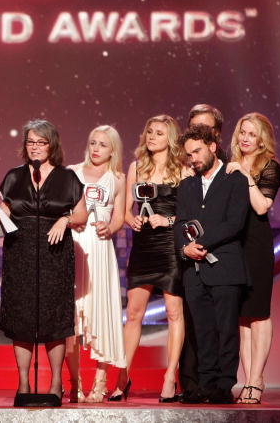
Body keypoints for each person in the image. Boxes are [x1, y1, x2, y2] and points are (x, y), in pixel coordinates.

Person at [0, 119, 87, 402]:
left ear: (51, 145)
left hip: (55, 254)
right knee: (21, 317)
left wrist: (64, 220)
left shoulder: (67, 177)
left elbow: (81, 215)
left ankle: (56, 383)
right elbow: (3, 213)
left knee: (54, 318)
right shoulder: (13, 176)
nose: (35, 147)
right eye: (30, 142)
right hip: (20, 252)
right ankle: (23, 384)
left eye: (40, 142)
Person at [111, 115, 188, 402]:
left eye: (159, 133)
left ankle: (170, 378)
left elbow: (192, 213)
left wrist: (166, 220)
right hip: (142, 247)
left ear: (170, 138)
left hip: (170, 247)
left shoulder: (182, 169)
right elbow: (124, 211)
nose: (152, 136)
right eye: (149, 132)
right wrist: (132, 221)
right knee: (133, 314)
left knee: (173, 313)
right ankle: (122, 377)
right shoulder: (136, 167)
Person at [175, 123, 249, 404]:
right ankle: (205, 384)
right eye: (189, 154)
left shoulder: (234, 180)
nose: (192, 158)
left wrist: (201, 243)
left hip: (225, 267)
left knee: (225, 329)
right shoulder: (186, 184)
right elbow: (181, 222)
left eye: (196, 151)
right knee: (203, 331)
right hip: (194, 271)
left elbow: (235, 223)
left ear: (212, 147)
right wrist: (185, 247)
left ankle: (224, 385)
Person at [64, 125, 126, 403]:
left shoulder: (118, 179)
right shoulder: (71, 172)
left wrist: (110, 228)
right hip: (74, 248)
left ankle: (100, 382)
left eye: (102, 144)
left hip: (100, 252)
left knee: (101, 314)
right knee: (72, 320)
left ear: (113, 149)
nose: (96, 148)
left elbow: (120, 216)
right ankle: (74, 381)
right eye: (92, 143)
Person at [226, 113, 280, 404]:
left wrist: (246, 176)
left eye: (251, 134)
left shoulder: (270, 167)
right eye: (242, 132)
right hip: (232, 246)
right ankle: (247, 380)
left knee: (258, 312)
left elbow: (261, 207)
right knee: (241, 317)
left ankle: (256, 379)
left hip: (257, 246)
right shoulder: (227, 167)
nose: (245, 138)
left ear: (262, 139)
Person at [180, 103, 225, 400]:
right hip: (189, 256)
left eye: (205, 128)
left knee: (219, 324)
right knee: (191, 321)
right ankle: (192, 384)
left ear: (216, 137)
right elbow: (182, 215)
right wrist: (184, 246)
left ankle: (218, 384)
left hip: (221, 256)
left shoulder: (230, 169)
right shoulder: (186, 169)